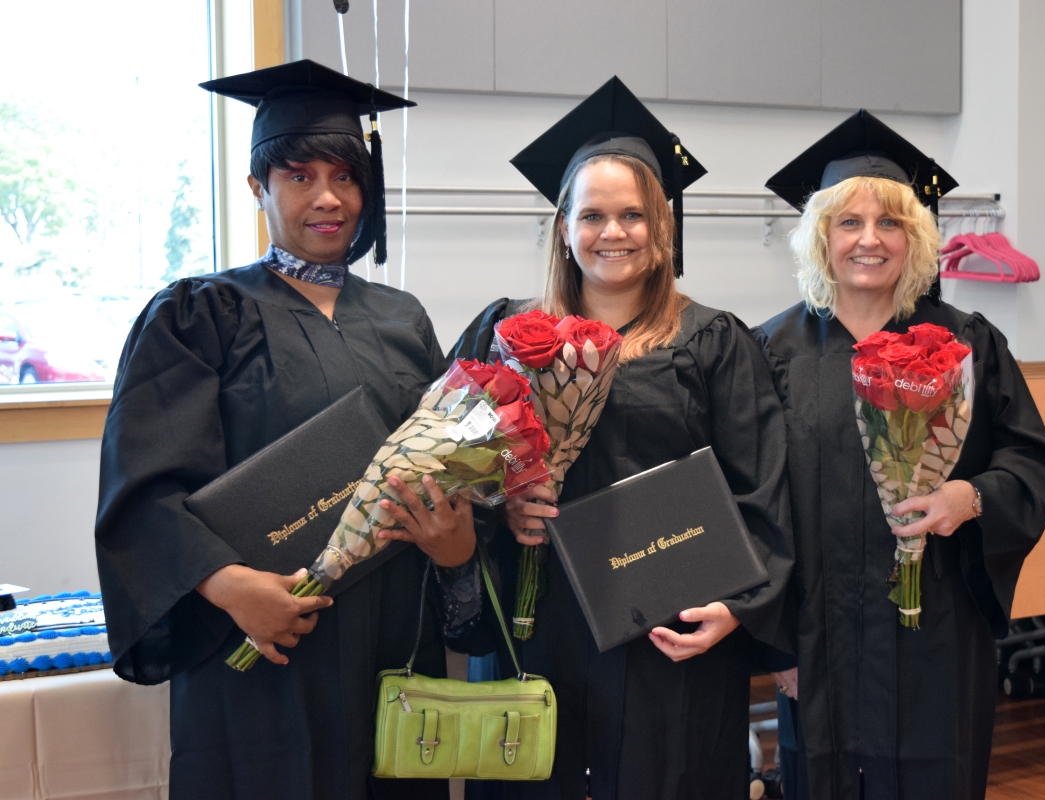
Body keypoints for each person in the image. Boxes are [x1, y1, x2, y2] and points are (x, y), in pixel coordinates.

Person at [95, 60, 485, 800]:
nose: (327, 198)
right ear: (258, 187)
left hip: (392, 643)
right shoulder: (198, 314)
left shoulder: (403, 320)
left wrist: (457, 544)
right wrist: (231, 585)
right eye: (299, 177)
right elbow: (143, 488)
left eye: (344, 176)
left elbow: (443, 467)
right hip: (260, 648)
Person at [451, 77, 794, 800]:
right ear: (563, 227)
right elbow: (450, 465)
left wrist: (736, 608)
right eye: (595, 215)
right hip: (537, 626)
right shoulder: (503, 333)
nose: (614, 232)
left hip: (667, 640)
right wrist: (500, 505)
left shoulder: (713, 342)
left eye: (634, 214)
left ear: (664, 227)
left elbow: (761, 488)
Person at [754, 110, 1045, 800]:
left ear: (915, 238)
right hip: (819, 640)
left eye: (890, 222)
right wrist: (778, 644)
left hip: (936, 638)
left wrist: (971, 497)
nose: (870, 240)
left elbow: (1031, 462)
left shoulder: (967, 345)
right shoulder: (770, 354)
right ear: (819, 238)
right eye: (849, 222)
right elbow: (752, 505)